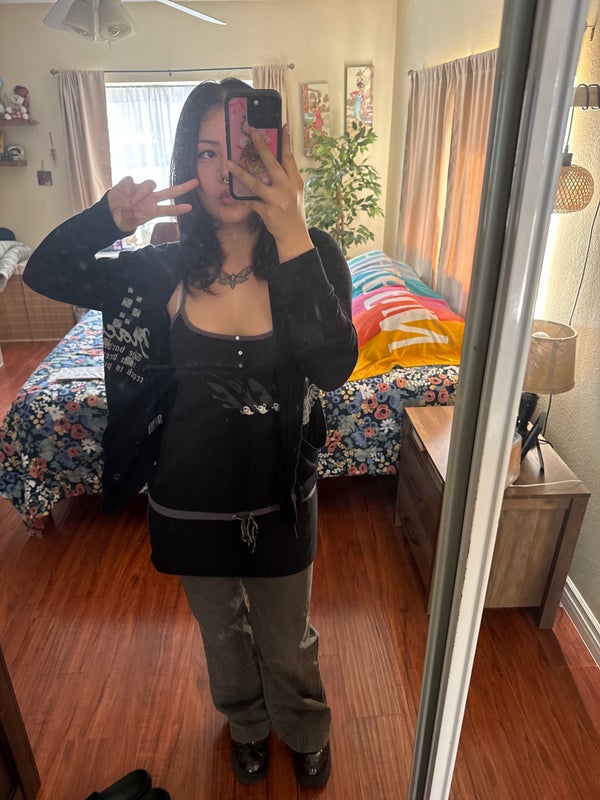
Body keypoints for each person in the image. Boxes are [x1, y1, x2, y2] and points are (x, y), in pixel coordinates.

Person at [24, 78, 358, 789]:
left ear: (273, 155)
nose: (225, 169)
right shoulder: (158, 268)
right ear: (188, 165)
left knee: (287, 638)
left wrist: (292, 229)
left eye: (242, 148)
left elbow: (334, 367)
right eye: (207, 152)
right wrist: (108, 219)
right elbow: (46, 271)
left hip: (281, 499)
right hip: (186, 499)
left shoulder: (313, 254)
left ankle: (304, 729)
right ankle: (246, 725)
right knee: (221, 634)